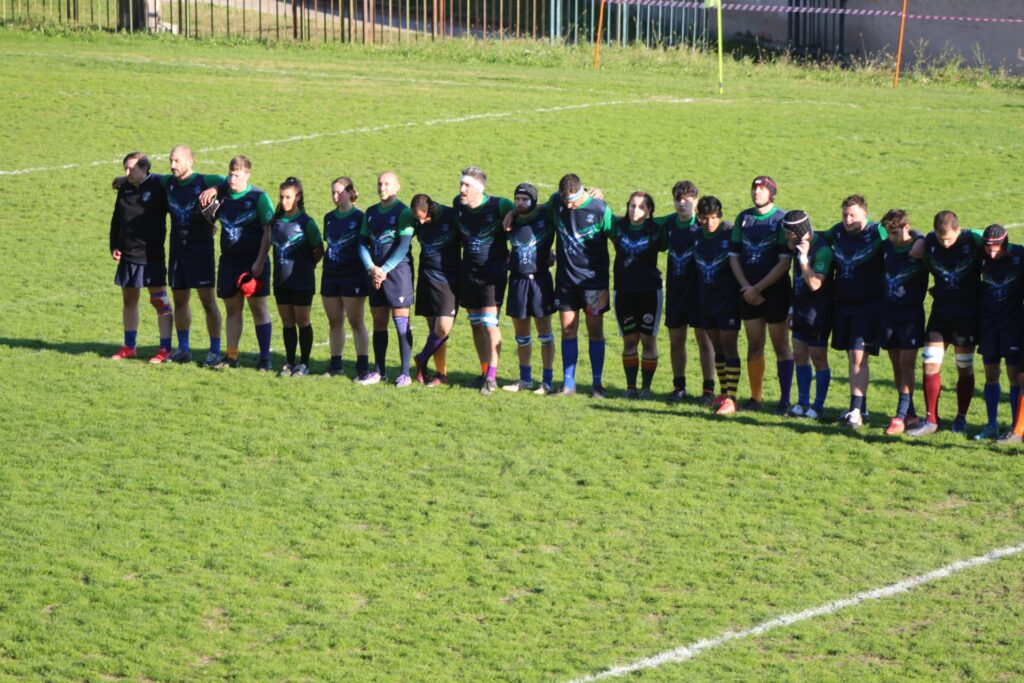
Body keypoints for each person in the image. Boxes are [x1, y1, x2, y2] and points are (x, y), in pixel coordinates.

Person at [110, 145, 225, 366]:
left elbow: (228, 181)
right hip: (177, 253)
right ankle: (183, 348)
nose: (172, 165)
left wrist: (215, 190)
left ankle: (214, 350)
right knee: (180, 301)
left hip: (201, 253)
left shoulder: (203, 180)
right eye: (171, 160)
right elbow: (149, 178)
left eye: (177, 161)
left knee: (208, 302)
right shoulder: (167, 182)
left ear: (190, 162)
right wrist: (125, 179)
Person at [907, 211, 983, 437]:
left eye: (949, 238)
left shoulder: (972, 239)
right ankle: (931, 419)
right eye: (941, 240)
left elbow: (993, 236)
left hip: (967, 316)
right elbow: (914, 236)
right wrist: (921, 241)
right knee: (930, 363)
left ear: (958, 230)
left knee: (964, 367)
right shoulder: (930, 240)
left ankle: (961, 417)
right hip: (940, 314)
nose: (945, 243)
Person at [198, 155, 275, 370]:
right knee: (233, 309)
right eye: (230, 173)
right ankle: (232, 356)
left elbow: (269, 230)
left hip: (253, 263)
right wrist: (210, 221)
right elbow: (207, 213)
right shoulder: (222, 196)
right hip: (229, 262)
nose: (232, 178)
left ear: (247, 175)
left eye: (237, 174)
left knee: (258, 308)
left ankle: (265, 358)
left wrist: (260, 262)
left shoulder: (259, 197)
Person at [728, 176, 794, 414]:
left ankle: (785, 400)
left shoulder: (781, 220)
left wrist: (758, 288)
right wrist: (747, 287)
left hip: (774, 292)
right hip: (747, 292)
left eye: (762, 189)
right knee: (755, 343)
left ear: (772, 194)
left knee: (780, 345)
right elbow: (734, 256)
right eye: (754, 189)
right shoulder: (743, 218)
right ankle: (756, 398)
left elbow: (784, 262)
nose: (756, 193)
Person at [549, 173, 615, 397]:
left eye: (572, 200)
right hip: (566, 282)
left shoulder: (599, 210)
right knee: (568, 331)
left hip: (594, 284)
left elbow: (617, 237)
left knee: (595, 332)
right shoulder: (557, 202)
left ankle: (597, 385)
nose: (568, 205)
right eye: (564, 200)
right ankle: (568, 384)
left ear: (581, 192)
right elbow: (536, 213)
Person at [823, 195, 885, 429]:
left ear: (865, 215)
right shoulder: (838, 231)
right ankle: (861, 406)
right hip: (843, 304)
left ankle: (856, 411)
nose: (848, 220)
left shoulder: (877, 231)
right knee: (852, 357)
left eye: (853, 215)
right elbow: (819, 238)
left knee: (859, 357)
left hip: (868, 306)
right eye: (845, 215)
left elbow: (908, 238)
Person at [453, 166, 514, 396]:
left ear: (479, 188)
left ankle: (492, 377)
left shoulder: (500, 205)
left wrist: (513, 214)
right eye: (461, 184)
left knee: (490, 324)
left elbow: (527, 210)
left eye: (466, 185)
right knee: (476, 323)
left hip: (493, 274)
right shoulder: (458, 205)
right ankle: (483, 370)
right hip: (468, 273)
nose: (461, 189)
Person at [108, 152, 174, 363]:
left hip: (151, 256)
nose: (127, 173)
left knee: (160, 302)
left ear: (144, 169)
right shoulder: (125, 188)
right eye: (125, 169)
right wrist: (115, 245)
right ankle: (129, 346)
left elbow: (171, 179)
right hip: (128, 255)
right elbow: (117, 219)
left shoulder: (157, 186)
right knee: (129, 300)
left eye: (131, 169)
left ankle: (165, 349)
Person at [656, 180, 716, 404]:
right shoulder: (669, 223)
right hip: (676, 292)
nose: (682, 205)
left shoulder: (703, 225)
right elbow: (641, 221)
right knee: (676, 340)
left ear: (696, 202)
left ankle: (708, 389)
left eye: (687, 201)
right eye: (678, 201)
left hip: (700, 293)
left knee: (704, 340)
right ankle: (678, 385)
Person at [358, 171, 416, 387]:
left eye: (387, 184)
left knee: (401, 322)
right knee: (379, 321)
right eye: (380, 183)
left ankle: (404, 373)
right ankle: (379, 371)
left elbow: (403, 246)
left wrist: (384, 269)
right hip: (376, 275)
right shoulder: (371, 212)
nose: (382, 187)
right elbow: (362, 243)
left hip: (398, 274)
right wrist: (371, 268)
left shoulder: (404, 213)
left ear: (397, 187)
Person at [611, 192, 668, 399]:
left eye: (642, 207)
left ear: (650, 210)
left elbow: (673, 223)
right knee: (629, 340)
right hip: (624, 290)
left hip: (649, 292)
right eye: (633, 206)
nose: (636, 210)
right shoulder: (618, 226)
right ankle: (630, 387)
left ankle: (646, 388)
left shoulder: (656, 229)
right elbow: (602, 211)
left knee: (648, 340)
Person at [502, 183, 557, 394]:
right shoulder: (511, 220)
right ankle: (525, 379)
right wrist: (512, 212)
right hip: (517, 282)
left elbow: (555, 200)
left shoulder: (545, 216)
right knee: (521, 335)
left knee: (545, 333)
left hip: (540, 282)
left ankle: (547, 381)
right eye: (517, 199)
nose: (520, 203)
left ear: (533, 200)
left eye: (525, 199)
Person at [878, 209, 928, 435]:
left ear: (906, 227)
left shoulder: (920, 249)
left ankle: (900, 416)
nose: (891, 237)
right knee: (897, 364)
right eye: (888, 233)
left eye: (895, 232)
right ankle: (911, 414)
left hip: (911, 314)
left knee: (907, 362)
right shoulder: (886, 245)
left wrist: (920, 238)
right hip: (888, 313)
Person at [974, 224, 1024, 440]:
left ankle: (1015, 427)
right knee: (990, 374)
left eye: (996, 247)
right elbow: (969, 234)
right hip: (988, 324)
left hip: (1013, 324)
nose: (991, 252)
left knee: (1015, 376)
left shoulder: (1019, 255)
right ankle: (991, 424)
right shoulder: (981, 256)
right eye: (988, 247)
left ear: (1005, 243)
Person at [270, 177, 323, 377]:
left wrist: (307, 265)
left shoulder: (306, 222)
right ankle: (290, 362)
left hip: (302, 281)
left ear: (297, 197)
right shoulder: (275, 221)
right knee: (287, 321)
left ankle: (305, 364)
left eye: (288, 197)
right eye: (282, 197)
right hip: (281, 281)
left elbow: (318, 249)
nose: (284, 201)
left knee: (303, 320)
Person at [692, 196, 741, 414]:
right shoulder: (696, 236)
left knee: (729, 347)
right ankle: (722, 393)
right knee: (717, 348)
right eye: (705, 218)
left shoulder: (729, 233)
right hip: (705, 300)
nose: (710, 222)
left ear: (719, 215)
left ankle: (732, 398)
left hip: (728, 301)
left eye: (713, 217)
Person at [783, 210, 833, 420]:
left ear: (798, 232)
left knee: (818, 358)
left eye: (789, 233)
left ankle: (817, 406)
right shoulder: (796, 247)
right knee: (799, 355)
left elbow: (814, 284)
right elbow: (797, 281)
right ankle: (802, 402)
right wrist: (792, 309)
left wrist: (804, 259)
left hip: (818, 312)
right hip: (800, 310)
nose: (786, 237)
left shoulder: (822, 251)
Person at [320, 176, 371, 379]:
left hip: (353, 275)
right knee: (334, 322)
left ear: (350, 193)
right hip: (331, 274)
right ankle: (335, 365)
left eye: (339, 192)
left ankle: (362, 367)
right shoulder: (329, 218)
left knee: (356, 321)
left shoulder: (360, 218)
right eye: (332, 192)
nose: (335, 196)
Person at [410, 193, 461, 387]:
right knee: (434, 330)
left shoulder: (451, 216)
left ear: (431, 208)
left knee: (443, 328)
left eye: (424, 218)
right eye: (418, 220)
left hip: (449, 280)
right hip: (426, 278)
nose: (421, 223)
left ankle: (422, 358)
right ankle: (441, 374)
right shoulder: (416, 221)